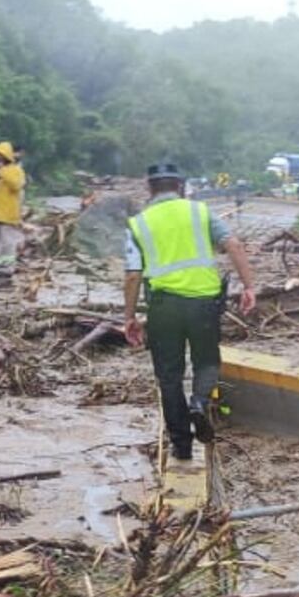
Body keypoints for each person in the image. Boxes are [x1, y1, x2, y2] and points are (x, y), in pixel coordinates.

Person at [122, 163, 258, 462]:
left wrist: (129, 317)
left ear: (149, 188)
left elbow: (133, 275)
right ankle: (199, 401)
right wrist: (249, 286)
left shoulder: (138, 224)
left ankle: (181, 446)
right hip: (204, 304)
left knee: (169, 377)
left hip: (163, 308)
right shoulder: (200, 212)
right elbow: (233, 244)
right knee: (207, 361)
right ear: (181, 186)